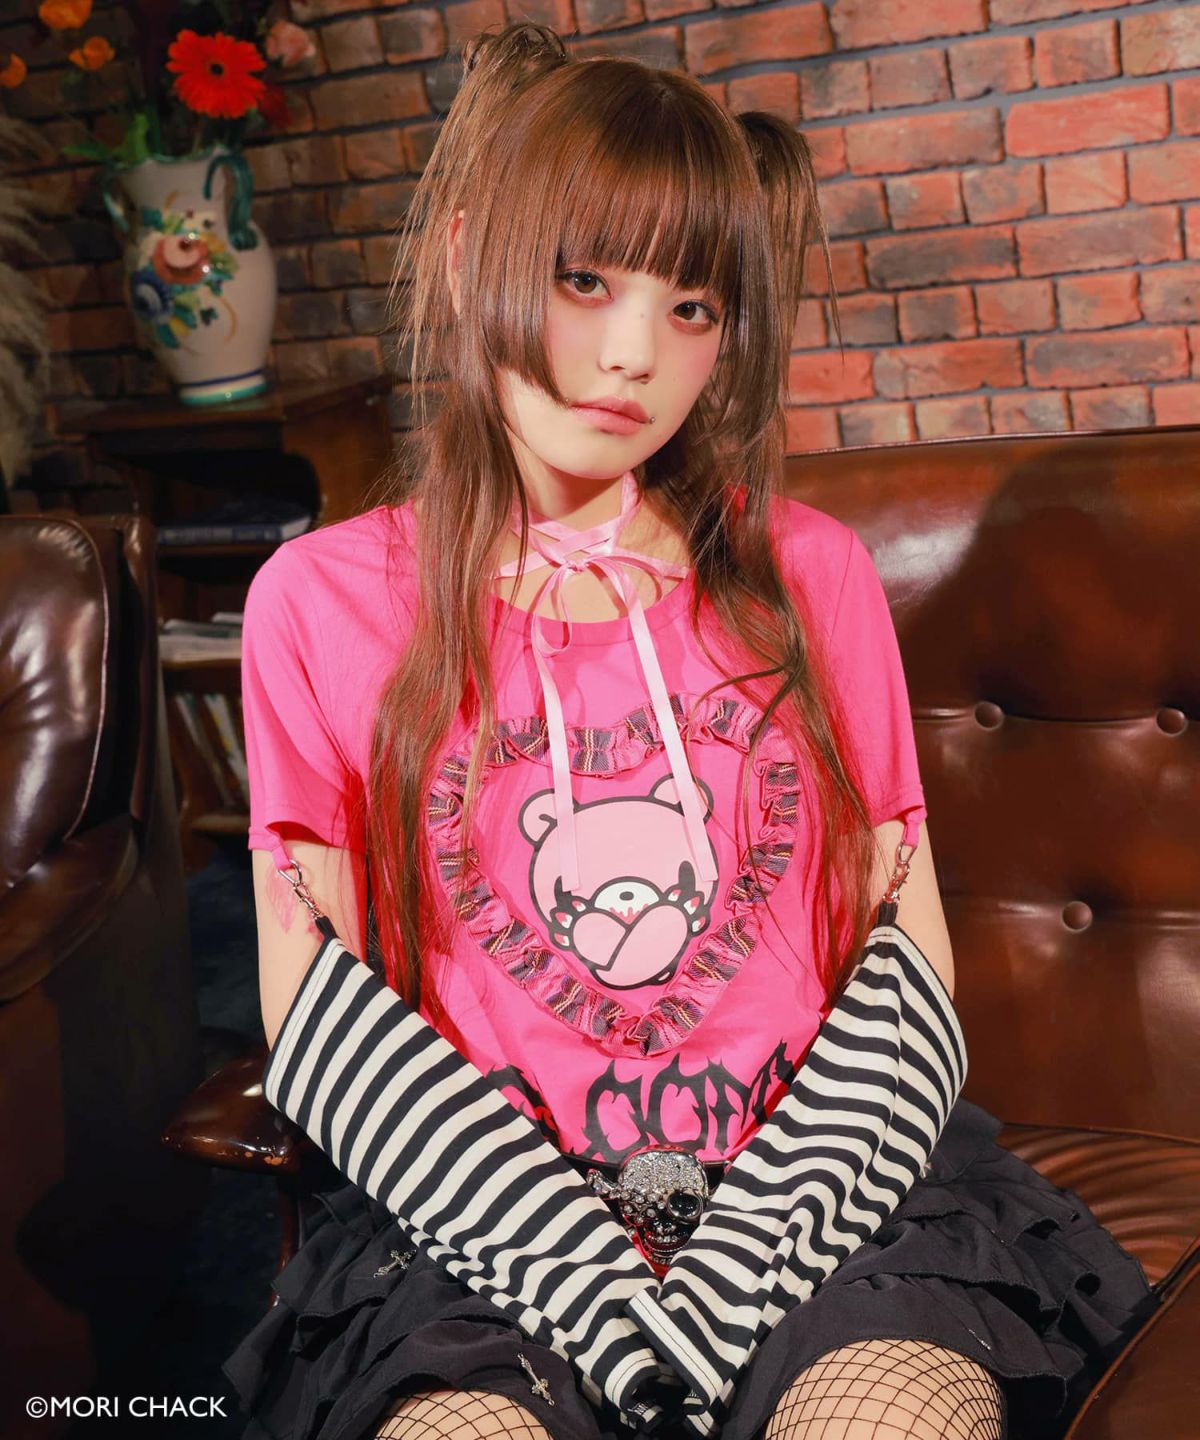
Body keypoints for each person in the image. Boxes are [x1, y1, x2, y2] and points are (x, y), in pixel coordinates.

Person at [221, 22, 1158, 1440]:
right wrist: (599, 1290)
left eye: (693, 307)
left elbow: (904, 953)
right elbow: (316, 1003)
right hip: (479, 1237)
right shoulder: (322, 601)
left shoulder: (807, 574)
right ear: (471, 257)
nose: (630, 356)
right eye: (583, 279)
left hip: (828, 1206)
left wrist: (729, 1280)